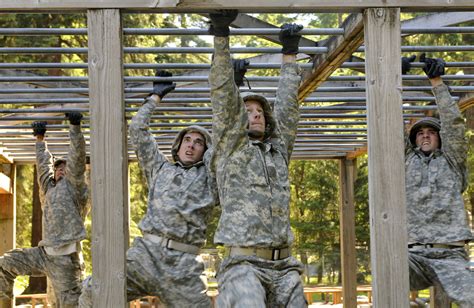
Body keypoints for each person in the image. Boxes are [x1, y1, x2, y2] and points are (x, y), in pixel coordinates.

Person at [79, 71, 217, 308]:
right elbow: (138, 131)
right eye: (187, 140)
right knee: (93, 291)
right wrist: (155, 98)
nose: (191, 145)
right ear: (179, 145)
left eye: (198, 142)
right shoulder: (159, 167)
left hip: (183, 265)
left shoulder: (210, 178)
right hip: (145, 256)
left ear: (205, 151)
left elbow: (229, 142)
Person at [208, 10, 307, 307]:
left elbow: (288, 106)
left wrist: (289, 54)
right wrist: (221, 37)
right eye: (248, 111)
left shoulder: (278, 152)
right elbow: (224, 96)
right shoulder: (231, 146)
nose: (256, 115)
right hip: (243, 265)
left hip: (285, 266)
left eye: (260, 112)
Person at [404, 54, 474, 307]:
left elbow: (453, 124)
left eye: (431, 132)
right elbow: (386, 120)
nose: (425, 136)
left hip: (449, 254)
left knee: (470, 298)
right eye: (420, 133)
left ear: (439, 138)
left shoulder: (452, 161)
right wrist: (393, 79)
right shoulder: (405, 161)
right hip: (412, 255)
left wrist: (437, 82)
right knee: (385, 272)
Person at [0, 112, 88, 307]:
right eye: (58, 168)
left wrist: (74, 127)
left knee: (71, 304)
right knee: (4, 265)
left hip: (66, 260)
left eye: (65, 167)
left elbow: (78, 160)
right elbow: (42, 166)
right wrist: (40, 139)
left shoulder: (75, 189)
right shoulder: (48, 189)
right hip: (43, 255)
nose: (60, 170)